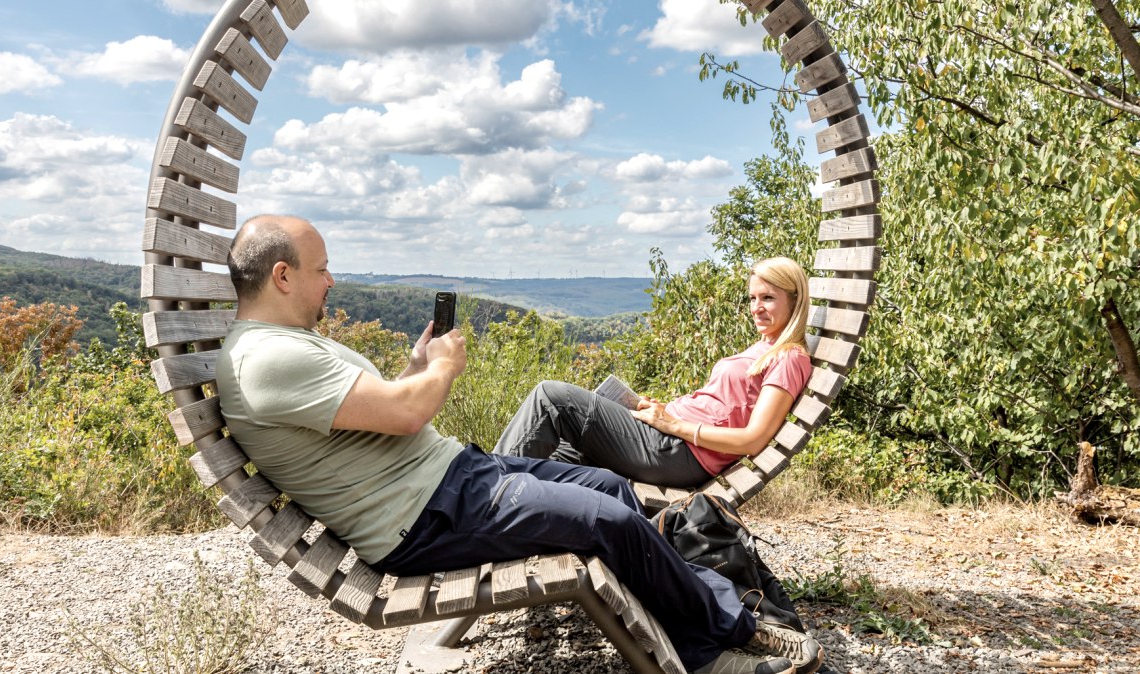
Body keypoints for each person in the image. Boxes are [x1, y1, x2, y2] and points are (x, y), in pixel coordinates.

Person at [213, 215, 822, 674]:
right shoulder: (268, 359)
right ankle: (719, 642)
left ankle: (693, 599)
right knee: (608, 516)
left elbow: (377, 410)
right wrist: (443, 368)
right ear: (282, 275)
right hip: (426, 517)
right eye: (321, 269)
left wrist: (416, 362)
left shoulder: (286, 346)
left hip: (451, 481)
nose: (331, 280)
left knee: (609, 487)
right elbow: (405, 414)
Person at [495, 257, 813, 489]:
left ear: (795, 300)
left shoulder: (789, 358)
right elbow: (724, 407)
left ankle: (483, 495)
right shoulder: (764, 347)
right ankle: (498, 515)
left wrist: (673, 423)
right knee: (558, 456)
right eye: (753, 298)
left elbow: (752, 439)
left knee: (553, 397)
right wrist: (661, 410)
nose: (756, 307)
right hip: (667, 439)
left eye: (768, 298)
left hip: (677, 453)